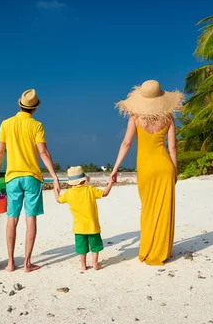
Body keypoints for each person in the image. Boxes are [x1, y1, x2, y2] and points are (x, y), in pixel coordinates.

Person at [110, 80, 183, 265]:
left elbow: (126, 144)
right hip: (165, 166)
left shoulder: (135, 118)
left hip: (146, 169)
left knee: (148, 210)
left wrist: (115, 168)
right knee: (164, 210)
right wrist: (175, 170)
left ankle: (148, 250)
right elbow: (172, 147)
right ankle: (162, 251)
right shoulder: (168, 118)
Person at [0, 89, 61, 273]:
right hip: (32, 178)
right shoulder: (37, 126)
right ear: (34, 109)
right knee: (31, 219)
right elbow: (44, 153)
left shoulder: (6, 124)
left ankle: (10, 263)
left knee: (11, 220)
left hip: (12, 178)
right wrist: (54, 176)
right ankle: (28, 263)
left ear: (19, 105)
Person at [54, 166, 113, 271]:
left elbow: (59, 200)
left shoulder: (68, 193)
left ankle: (83, 265)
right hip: (92, 226)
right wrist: (110, 183)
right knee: (95, 246)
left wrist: (55, 190)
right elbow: (104, 193)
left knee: (82, 248)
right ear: (83, 180)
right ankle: (95, 264)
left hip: (79, 228)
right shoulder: (90, 190)